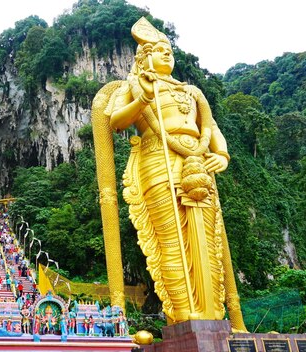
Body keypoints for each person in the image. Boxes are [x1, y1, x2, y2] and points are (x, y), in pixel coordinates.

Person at [94, 17, 243, 328]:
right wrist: (143, 98)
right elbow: (115, 122)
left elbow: (210, 127)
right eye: (158, 50)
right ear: (142, 57)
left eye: (168, 50)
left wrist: (223, 154)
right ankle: (182, 315)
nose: (166, 54)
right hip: (157, 161)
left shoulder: (191, 91)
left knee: (208, 239)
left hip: (199, 162)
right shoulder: (134, 85)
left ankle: (214, 313)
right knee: (171, 241)